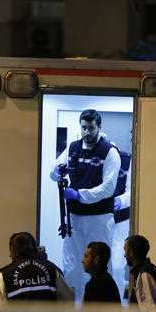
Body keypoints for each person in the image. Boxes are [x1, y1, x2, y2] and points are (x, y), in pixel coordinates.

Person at [50, 109, 121, 300]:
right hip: (74, 217)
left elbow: (108, 188)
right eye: (83, 128)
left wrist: (80, 195)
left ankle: (102, 310)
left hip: (99, 217)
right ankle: (74, 311)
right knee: (73, 265)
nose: (87, 132)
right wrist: (58, 172)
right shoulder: (73, 147)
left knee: (100, 266)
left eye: (91, 128)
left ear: (99, 127)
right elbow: (53, 171)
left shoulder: (109, 151)